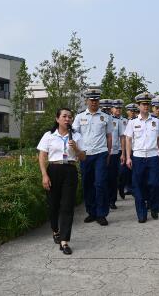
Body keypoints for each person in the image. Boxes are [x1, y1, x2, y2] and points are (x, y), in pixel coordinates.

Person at [37, 108, 86, 255]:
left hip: (70, 170)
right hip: (53, 170)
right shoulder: (49, 135)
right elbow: (42, 156)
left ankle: (65, 241)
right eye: (64, 116)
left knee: (67, 206)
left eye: (70, 117)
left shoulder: (76, 136)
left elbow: (83, 157)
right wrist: (44, 175)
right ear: (57, 119)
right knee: (53, 205)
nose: (67, 119)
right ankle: (55, 230)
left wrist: (76, 149)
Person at [72, 88, 113, 226]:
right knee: (87, 184)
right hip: (85, 155)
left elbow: (109, 136)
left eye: (96, 100)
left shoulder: (106, 117)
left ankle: (102, 214)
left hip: (101, 153)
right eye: (92, 100)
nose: (94, 102)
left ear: (99, 101)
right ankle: (91, 212)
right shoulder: (79, 117)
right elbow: (75, 135)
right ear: (86, 101)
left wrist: (109, 152)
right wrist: (77, 153)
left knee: (100, 183)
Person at [124, 92, 159, 223]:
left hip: (153, 156)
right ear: (138, 106)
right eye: (143, 104)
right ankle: (141, 214)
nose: (146, 106)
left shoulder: (156, 122)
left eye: (147, 104)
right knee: (138, 186)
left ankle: (153, 206)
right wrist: (128, 157)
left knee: (155, 183)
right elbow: (128, 140)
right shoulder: (132, 122)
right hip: (138, 157)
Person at [107, 99, 126, 209]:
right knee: (110, 177)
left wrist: (124, 152)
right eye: (116, 108)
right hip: (110, 152)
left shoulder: (124, 120)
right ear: (112, 109)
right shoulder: (108, 119)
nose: (118, 109)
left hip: (119, 151)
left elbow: (123, 137)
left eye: (120, 108)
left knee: (120, 174)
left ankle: (120, 190)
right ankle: (110, 199)